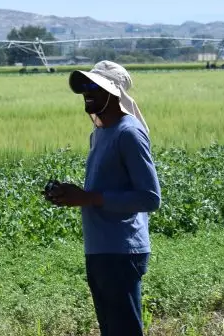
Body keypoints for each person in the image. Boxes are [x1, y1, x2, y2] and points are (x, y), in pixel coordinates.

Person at [43, 60, 161, 336]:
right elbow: (99, 192)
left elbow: (150, 197)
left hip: (122, 250)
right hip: (100, 247)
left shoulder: (128, 133)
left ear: (114, 93)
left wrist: (88, 198)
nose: (87, 91)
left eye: (95, 86)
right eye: (85, 86)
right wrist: (69, 194)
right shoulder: (101, 134)